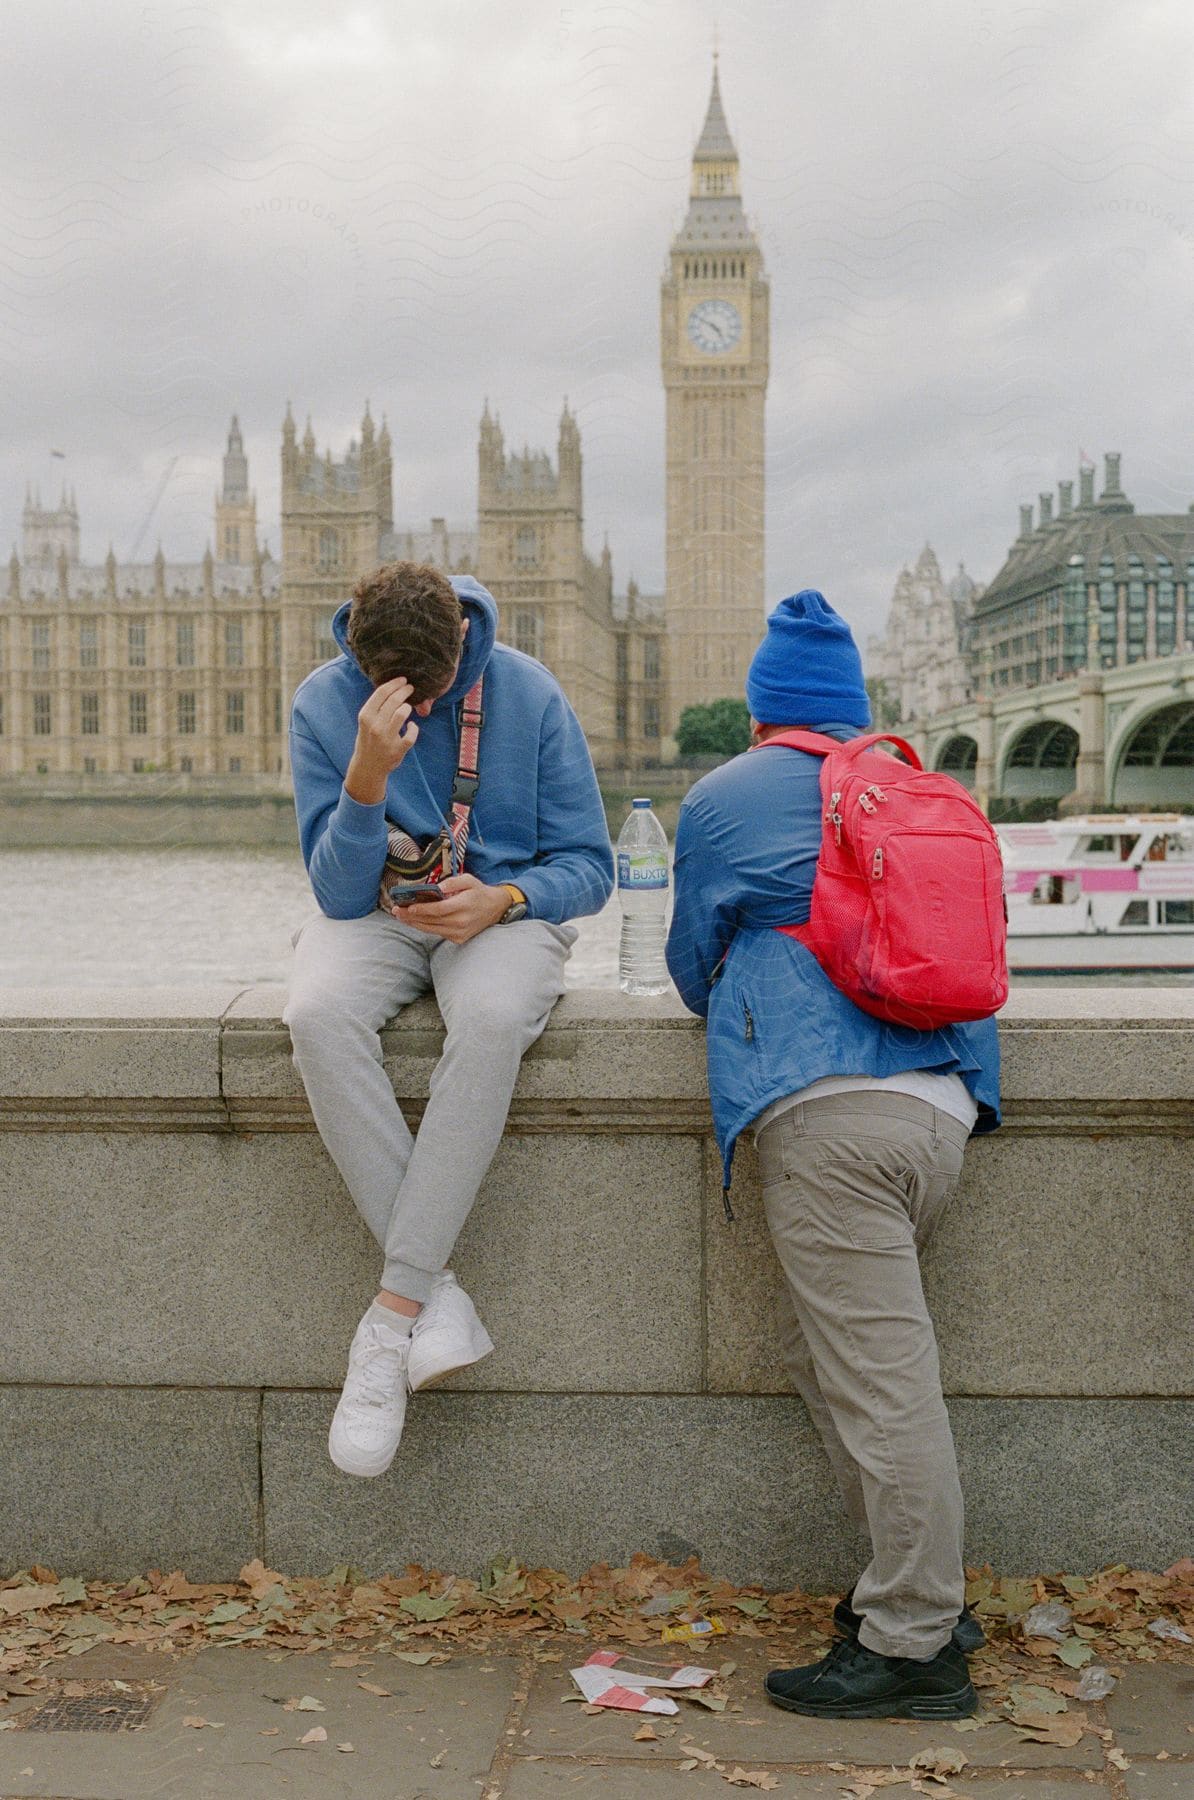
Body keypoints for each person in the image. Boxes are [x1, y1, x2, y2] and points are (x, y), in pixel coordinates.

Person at [666, 589, 1001, 1723]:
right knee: (840, 1369)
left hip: (831, 1121)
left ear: (763, 710)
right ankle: (907, 1591)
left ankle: (917, 1643)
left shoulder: (724, 800)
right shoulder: (918, 784)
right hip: (942, 1112)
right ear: (853, 707)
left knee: (886, 1390)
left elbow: (688, 963)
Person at [284, 561, 613, 1478]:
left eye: (435, 696)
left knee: (496, 1016)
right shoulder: (323, 704)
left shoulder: (530, 692)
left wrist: (507, 895)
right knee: (313, 1012)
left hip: (495, 916)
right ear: (355, 653)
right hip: (380, 917)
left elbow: (591, 865)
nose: (419, 713)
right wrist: (363, 779)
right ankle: (439, 1298)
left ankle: (391, 1323)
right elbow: (337, 896)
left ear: (463, 644)